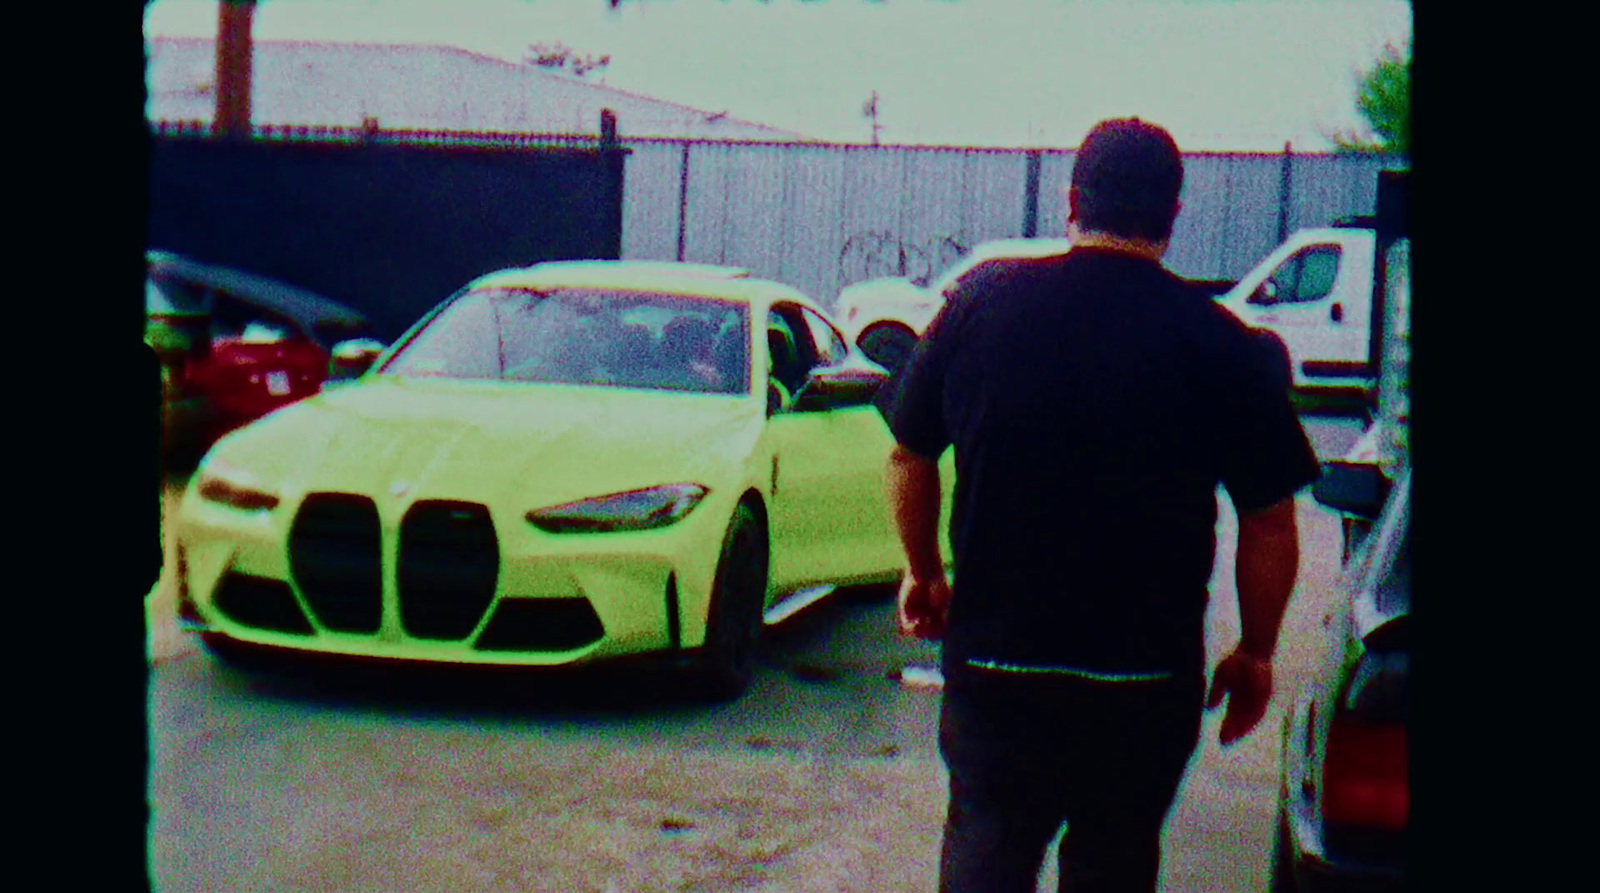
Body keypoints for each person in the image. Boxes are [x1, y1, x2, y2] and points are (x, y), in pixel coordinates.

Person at [876, 117, 1319, 893]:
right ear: (1173, 214)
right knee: (1115, 862)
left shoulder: (981, 305)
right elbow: (1270, 520)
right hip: (1143, 682)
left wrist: (925, 572)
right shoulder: (1223, 342)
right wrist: (1255, 650)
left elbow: (909, 454)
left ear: (1072, 200)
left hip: (998, 667)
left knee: (984, 850)